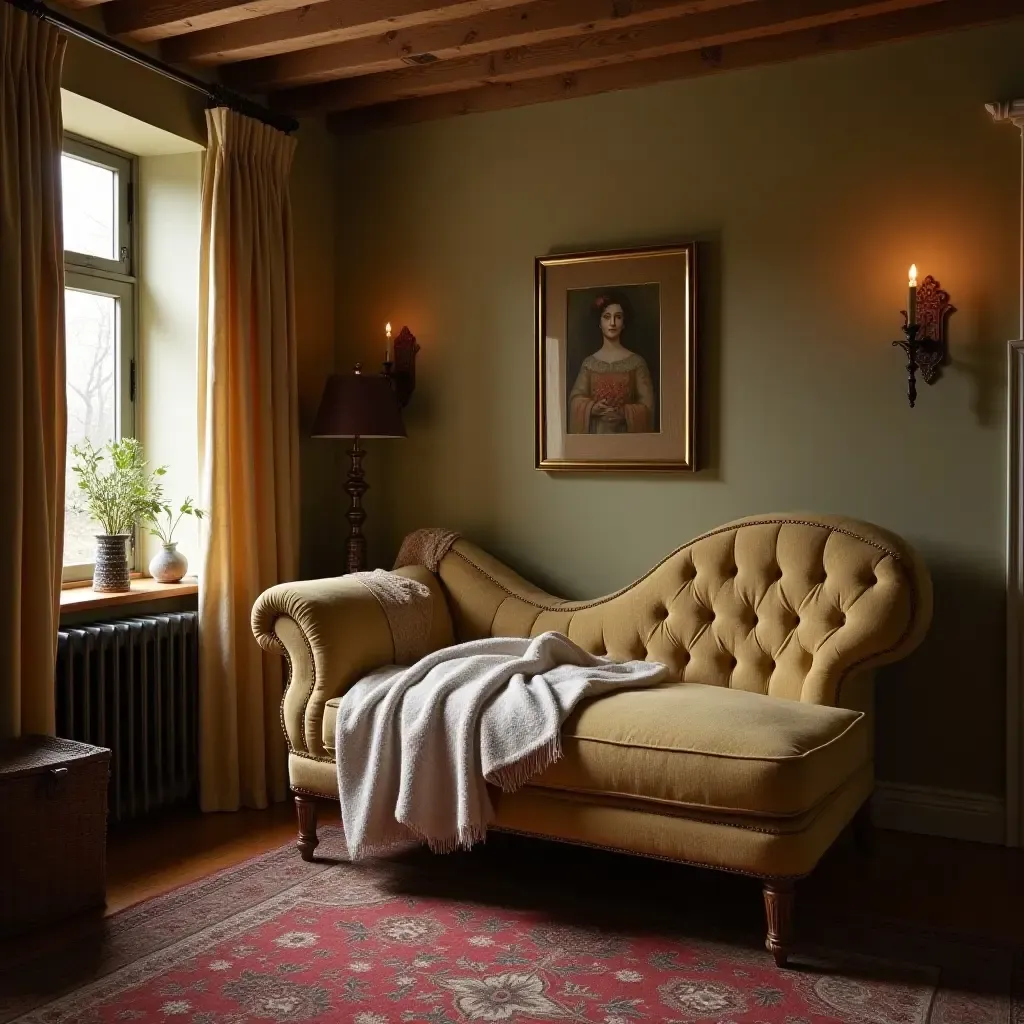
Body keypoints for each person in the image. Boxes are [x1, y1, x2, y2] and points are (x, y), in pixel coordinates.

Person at [568, 291, 655, 433]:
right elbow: (575, 400)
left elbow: (648, 406)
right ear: (599, 323)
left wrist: (625, 413)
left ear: (624, 322)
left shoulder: (637, 363)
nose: (612, 323)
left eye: (618, 317)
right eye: (607, 317)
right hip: (596, 441)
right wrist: (592, 408)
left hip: (628, 442)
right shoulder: (589, 364)